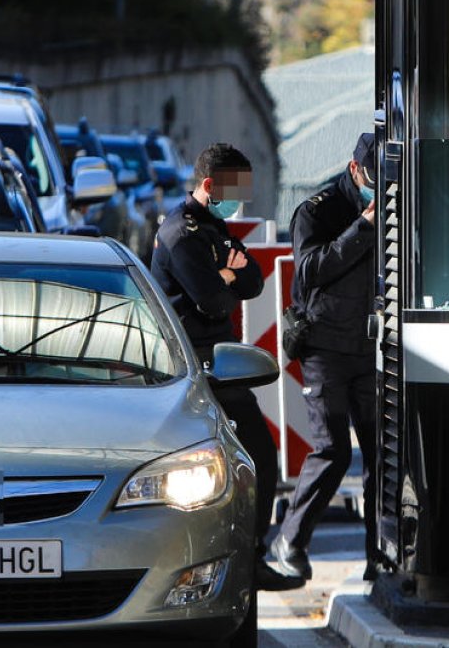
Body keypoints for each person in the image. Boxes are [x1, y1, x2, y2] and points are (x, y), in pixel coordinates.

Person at [151, 142, 304, 592]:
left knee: (259, 457)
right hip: (192, 368)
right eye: (234, 188)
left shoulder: (213, 227)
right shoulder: (180, 233)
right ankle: (219, 559)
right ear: (209, 185)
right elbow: (213, 299)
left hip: (223, 363)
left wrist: (227, 273)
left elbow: (254, 281)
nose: (241, 199)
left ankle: (250, 554)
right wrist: (225, 275)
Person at [270, 132, 380, 581]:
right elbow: (311, 269)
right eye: (374, 179)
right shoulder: (317, 210)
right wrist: (364, 228)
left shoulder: (395, 202)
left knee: (382, 455)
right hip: (325, 347)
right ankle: (290, 540)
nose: (381, 189)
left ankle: (381, 555)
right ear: (355, 170)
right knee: (332, 449)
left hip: (369, 345)